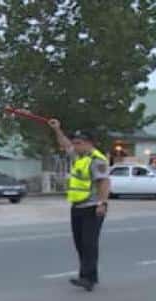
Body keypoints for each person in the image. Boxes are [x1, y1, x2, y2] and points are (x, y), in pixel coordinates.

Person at [48, 119, 110, 292]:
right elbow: (65, 145)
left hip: (93, 207)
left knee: (89, 243)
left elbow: (104, 183)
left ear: (89, 143)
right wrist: (57, 130)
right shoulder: (79, 156)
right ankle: (90, 276)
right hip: (77, 206)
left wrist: (102, 203)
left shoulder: (97, 160)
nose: (74, 146)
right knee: (80, 243)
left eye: (79, 143)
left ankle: (87, 277)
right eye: (74, 142)